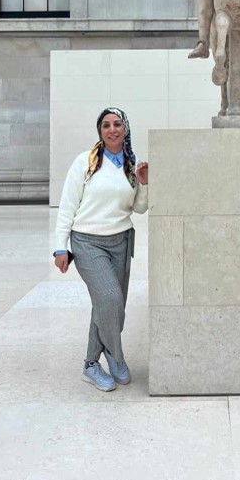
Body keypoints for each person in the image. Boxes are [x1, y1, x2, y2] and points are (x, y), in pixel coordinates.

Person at [53, 107, 149, 392]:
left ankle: (91, 364)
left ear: (125, 129)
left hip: (120, 241)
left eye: (117, 124)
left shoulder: (131, 165)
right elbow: (67, 206)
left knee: (111, 308)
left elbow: (139, 208)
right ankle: (115, 357)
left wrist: (144, 184)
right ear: (100, 131)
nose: (112, 129)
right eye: (106, 125)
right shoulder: (85, 162)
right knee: (109, 299)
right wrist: (61, 247)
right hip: (87, 242)